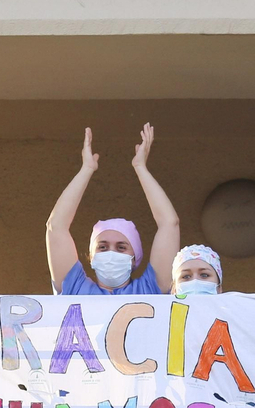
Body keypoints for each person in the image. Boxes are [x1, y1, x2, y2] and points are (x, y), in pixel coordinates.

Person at [46, 125, 180, 295]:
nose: (111, 253)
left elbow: (170, 223)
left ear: (134, 259)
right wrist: (86, 169)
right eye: (102, 247)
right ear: (91, 257)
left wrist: (141, 168)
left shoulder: (150, 290)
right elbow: (55, 226)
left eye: (121, 247)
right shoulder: (75, 288)